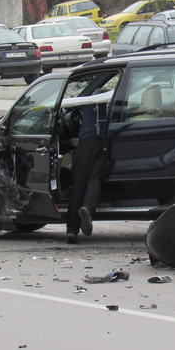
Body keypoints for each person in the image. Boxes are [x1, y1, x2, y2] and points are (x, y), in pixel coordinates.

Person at [64, 91, 110, 244]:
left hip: (87, 142)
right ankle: (88, 208)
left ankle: (72, 230)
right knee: (95, 178)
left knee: (79, 183)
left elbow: (69, 109)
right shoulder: (111, 102)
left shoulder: (87, 102)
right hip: (104, 142)